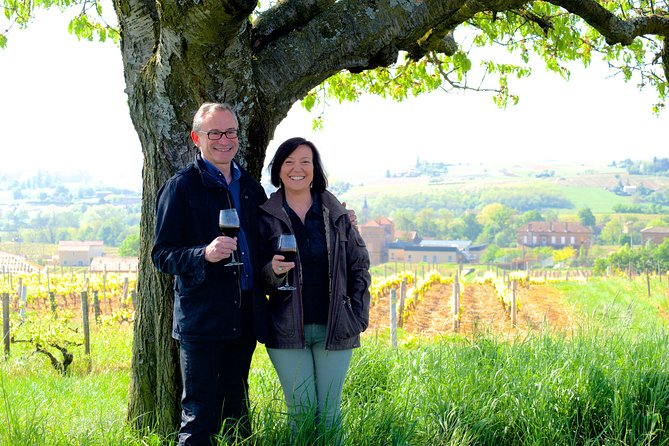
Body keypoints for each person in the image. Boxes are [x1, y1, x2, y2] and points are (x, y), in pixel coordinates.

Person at [151, 102, 268, 446]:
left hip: (244, 313)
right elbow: (161, 255)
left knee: (237, 409)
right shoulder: (181, 187)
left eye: (230, 132)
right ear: (196, 138)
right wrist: (203, 254)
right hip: (202, 319)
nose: (224, 139)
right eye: (214, 132)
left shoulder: (250, 187)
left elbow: (266, 240)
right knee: (199, 414)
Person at [258, 137, 371, 443]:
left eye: (305, 162)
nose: (297, 169)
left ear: (315, 169)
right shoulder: (264, 217)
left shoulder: (337, 214)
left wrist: (357, 316)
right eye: (289, 162)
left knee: (330, 412)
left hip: (335, 327)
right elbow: (255, 277)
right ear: (278, 169)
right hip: (285, 330)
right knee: (301, 412)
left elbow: (359, 267)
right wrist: (272, 272)